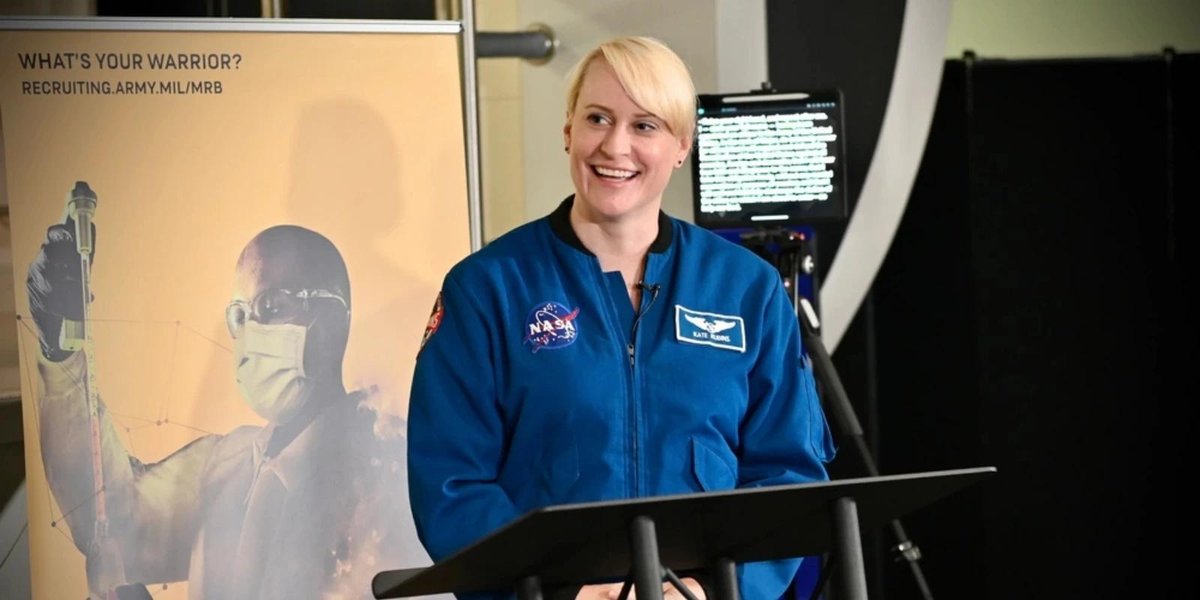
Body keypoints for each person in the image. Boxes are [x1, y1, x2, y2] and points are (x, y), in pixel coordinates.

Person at [407, 36, 836, 600]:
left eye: (645, 126)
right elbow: (451, 482)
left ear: (683, 145)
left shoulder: (745, 289)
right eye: (598, 118)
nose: (615, 146)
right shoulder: (488, 288)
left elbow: (789, 473)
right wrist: (563, 591)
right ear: (568, 131)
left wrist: (716, 591)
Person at [27, 218, 432, 599]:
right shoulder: (226, 464)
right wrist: (62, 350)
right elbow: (115, 522)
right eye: (239, 315)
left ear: (333, 320)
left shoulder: (393, 467)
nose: (250, 332)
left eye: (271, 306)